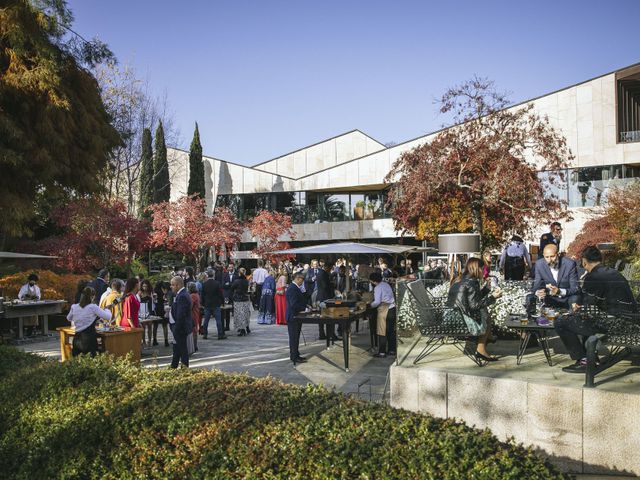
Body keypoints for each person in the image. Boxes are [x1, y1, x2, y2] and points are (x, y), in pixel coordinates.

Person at [556, 246, 638, 373]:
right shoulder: (614, 273)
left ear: (584, 261)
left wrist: (576, 308)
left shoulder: (593, 276)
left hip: (615, 324)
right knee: (586, 318)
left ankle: (584, 360)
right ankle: (591, 357)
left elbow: (589, 309)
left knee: (561, 321)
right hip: (630, 322)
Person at [446, 257, 502, 361]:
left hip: (451, 315)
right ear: (478, 269)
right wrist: (493, 297)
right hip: (459, 319)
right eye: (483, 269)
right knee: (484, 315)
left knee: (484, 312)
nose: (484, 272)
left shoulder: (461, 279)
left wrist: (487, 289)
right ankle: (481, 349)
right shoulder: (472, 282)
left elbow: (473, 299)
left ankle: (488, 337)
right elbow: (475, 305)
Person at [67, 286, 112, 357]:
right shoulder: (93, 307)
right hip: (89, 339)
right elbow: (108, 317)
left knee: (77, 362)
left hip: (77, 339)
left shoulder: (74, 306)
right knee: (92, 362)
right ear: (92, 297)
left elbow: (69, 318)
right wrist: (107, 309)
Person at [532, 244, 580, 309]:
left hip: (567, 297)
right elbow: (536, 285)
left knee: (575, 298)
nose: (550, 260)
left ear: (558, 254)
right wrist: (538, 292)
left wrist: (560, 291)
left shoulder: (570, 264)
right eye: (547, 257)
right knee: (530, 297)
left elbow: (575, 288)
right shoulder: (539, 264)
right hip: (549, 298)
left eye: (552, 256)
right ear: (543, 256)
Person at [368, 271, 397, 357]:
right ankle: (392, 350)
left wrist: (370, 305)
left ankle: (382, 352)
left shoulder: (377, 288)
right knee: (391, 331)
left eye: (371, 281)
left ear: (373, 281)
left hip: (384, 310)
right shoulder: (386, 284)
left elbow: (377, 302)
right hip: (392, 308)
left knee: (382, 331)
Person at [286, 272, 309, 364]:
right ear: (297, 278)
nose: (302, 282)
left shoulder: (295, 288)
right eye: (302, 280)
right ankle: (294, 357)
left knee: (296, 337)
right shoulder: (292, 288)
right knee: (294, 338)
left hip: (296, 317)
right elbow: (294, 304)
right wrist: (304, 308)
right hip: (293, 317)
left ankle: (296, 354)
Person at [169, 276, 192, 368]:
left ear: (177, 285)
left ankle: (184, 369)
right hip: (179, 327)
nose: (171, 287)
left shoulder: (182, 296)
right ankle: (173, 366)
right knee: (177, 349)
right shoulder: (181, 294)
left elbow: (181, 315)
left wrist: (176, 329)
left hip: (180, 328)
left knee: (182, 350)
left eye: (172, 285)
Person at [202, 269, 225, 340]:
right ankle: (220, 334)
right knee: (218, 320)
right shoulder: (217, 283)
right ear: (213, 275)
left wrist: (203, 303)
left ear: (207, 275)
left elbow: (202, 295)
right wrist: (222, 302)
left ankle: (205, 334)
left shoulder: (204, 284)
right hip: (216, 303)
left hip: (207, 304)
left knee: (206, 320)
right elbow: (220, 294)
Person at [231, 267, 251, 336]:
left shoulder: (236, 281)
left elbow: (232, 287)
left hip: (238, 299)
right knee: (245, 314)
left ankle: (242, 329)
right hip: (245, 298)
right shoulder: (246, 281)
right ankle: (247, 327)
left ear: (239, 273)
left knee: (239, 314)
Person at [153, 281, 170, 346]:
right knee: (165, 325)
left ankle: (154, 340)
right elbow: (166, 300)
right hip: (163, 308)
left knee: (155, 325)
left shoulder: (155, 291)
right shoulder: (163, 291)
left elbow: (154, 300)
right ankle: (166, 341)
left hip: (156, 309)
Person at [137, 279, 154, 346]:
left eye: (146, 286)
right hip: (142, 311)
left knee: (150, 326)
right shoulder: (140, 293)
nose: (145, 288)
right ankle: (143, 341)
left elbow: (153, 302)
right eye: (143, 286)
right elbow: (138, 302)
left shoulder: (150, 292)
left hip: (149, 311)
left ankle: (149, 341)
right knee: (143, 327)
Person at [188, 282, 201, 352]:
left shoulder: (192, 296)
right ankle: (195, 346)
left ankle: (194, 346)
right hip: (196, 313)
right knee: (195, 330)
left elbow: (190, 306)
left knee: (193, 331)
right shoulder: (197, 294)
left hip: (192, 314)